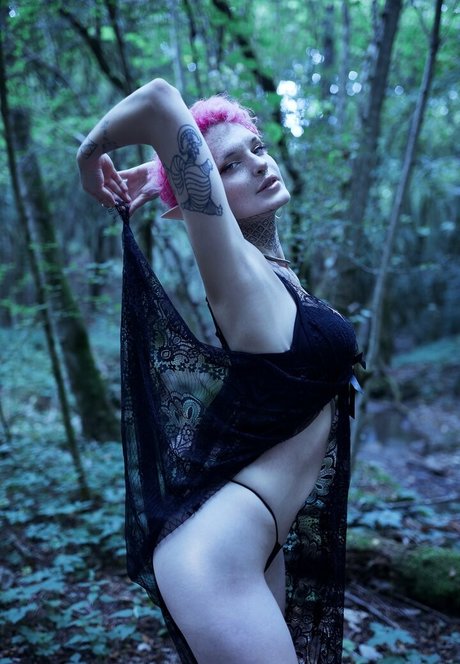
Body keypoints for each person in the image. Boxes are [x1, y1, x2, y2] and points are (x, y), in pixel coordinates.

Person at [77, 78, 362, 664]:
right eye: (228, 166)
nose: (257, 164)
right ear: (201, 194)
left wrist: (164, 180)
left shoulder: (279, 279)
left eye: (256, 148)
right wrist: (90, 157)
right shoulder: (239, 277)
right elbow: (160, 100)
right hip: (216, 551)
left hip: (258, 543)